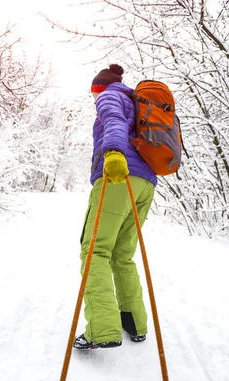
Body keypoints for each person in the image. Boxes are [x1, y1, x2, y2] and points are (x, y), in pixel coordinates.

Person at [74, 64, 157, 350]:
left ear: (98, 88)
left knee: (95, 250)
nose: (93, 100)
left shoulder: (109, 96)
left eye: (92, 94)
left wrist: (112, 153)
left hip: (118, 177)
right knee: (122, 254)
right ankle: (134, 322)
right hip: (146, 183)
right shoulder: (135, 102)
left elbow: (113, 122)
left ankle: (102, 329)